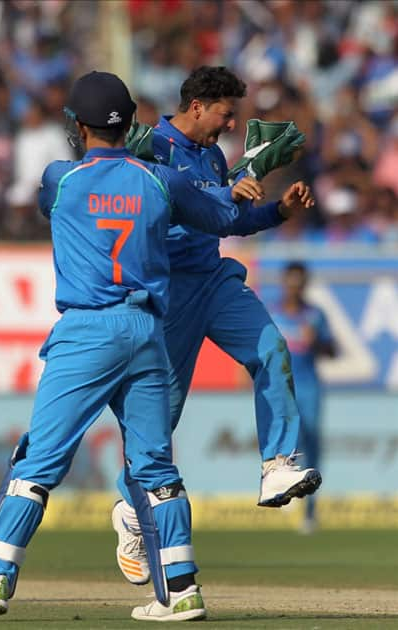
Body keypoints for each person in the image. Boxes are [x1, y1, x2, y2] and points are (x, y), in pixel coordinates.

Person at [0, 71, 313, 623]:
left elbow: (50, 202)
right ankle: (183, 589)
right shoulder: (160, 181)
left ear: (79, 126)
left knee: (38, 462)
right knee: (155, 466)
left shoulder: (61, 177)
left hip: (87, 331)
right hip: (147, 329)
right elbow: (220, 216)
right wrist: (243, 187)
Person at [114, 66, 322, 584]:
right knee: (158, 426)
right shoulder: (148, 148)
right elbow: (155, 211)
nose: (231, 125)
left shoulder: (209, 155)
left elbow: (227, 222)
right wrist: (222, 199)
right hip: (169, 293)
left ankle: (278, 465)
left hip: (214, 279)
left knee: (271, 347)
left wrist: (276, 209)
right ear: (199, 106)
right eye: (226, 114)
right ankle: (132, 510)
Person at [270, 262, 336, 533]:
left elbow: (332, 350)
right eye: (291, 281)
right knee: (282, 446)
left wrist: (316, 341)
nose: (294, 287)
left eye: (300, 282)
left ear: (305, 284)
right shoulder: (272, 313)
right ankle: (279, 498)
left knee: (311, 445)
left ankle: (309, 511)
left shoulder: (315, 315)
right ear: (284, 283)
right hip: (279, 388)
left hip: (308, 387)